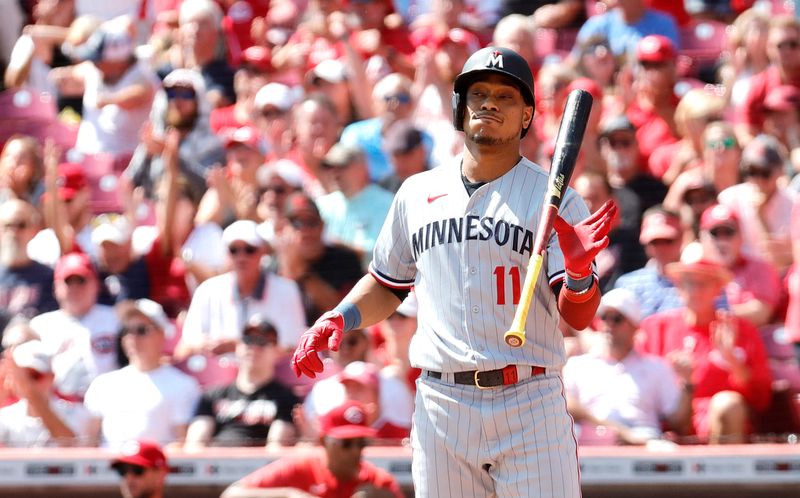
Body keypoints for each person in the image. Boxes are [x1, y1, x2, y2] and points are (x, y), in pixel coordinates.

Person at [291, 46, 616, 497]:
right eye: (478, 93)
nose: (488, 103)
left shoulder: (555, 199)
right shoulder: (417, 192)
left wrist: (580, 276)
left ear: (526, 116)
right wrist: (340, 317)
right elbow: (388, 284)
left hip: (529, 397)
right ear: (459, 109)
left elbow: (578, 317)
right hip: (442, 402)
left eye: (505, 97)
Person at [639, 244, 773, 444]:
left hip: (720, 426)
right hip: (665, 424)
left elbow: (761, 399)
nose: (695, 291)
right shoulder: (655, 327)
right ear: (678, 286)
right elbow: (638, 382)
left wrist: (732, 361)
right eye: (688, 282)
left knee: (727, 404)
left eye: (703, 283)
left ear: (718, 289)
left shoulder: (741, 330)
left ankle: (721, 473)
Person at [563, 289, 692, 445]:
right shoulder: (578, 365)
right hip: (592, 443)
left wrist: (688, 384)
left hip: (645, 442)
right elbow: (566, 405)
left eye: (617, 319)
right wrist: (620, 432)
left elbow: (678, 422)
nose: (609, 325)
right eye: (604, 317)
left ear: (635, 326)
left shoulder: (657, 367)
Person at [221, 400, 404, 498]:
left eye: (361, 443)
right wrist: (288, 495)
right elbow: (231, 495)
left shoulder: (377, 482)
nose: (355, 451)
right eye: (346, 443)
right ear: (324, 442)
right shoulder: (302, 466)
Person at [84, 299, 200, 448]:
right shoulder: (103, 384)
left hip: (156, 469)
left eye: (142, 330)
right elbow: (89, 441)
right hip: (110, 467)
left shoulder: (184, 385)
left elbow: (182, 443)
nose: (133, 338)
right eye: (126, 330)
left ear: (162, 333)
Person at [184, 317, 299, 448]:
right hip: (215, 462)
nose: (254, 347)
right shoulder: (212, 395)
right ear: (238, 347)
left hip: (260, 465)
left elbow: (276, 447)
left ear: (277, 351)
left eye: (263, 342)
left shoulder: (285, 398)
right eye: (248, 340)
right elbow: (194, 444)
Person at [0, 339, 91, 447]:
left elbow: (72, 447)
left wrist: (33, 397)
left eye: (34, 375)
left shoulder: (77, 414)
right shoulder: (6, 417)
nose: (28, 384)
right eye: (23, 376)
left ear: (51, 377)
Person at [0, 199, 57, 329]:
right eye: (8, 225)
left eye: (21, 225)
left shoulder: (48, 277)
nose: (14, 232)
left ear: (33, 230)